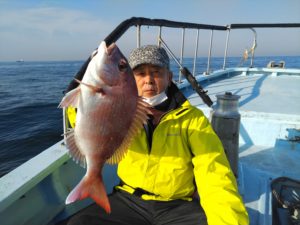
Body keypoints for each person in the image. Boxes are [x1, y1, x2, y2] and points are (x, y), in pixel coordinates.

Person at [66, 45, 249, 225]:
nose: (149, 80)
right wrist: (87, 81)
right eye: (140, 73)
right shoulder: (123, 111)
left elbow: (215, 174)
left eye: (156, 72)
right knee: (78, 222)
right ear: (130, 78)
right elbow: (84, 121)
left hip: (177, 206)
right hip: (128, 199)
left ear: (169, 78)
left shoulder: (193, 120)